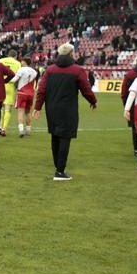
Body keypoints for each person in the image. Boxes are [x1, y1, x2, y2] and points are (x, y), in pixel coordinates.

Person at [34, 43, 97, 181]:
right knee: (65, 137)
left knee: (55, 136)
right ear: (71, 54)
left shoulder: (49, 70)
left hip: (51, 108)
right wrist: (93, 101)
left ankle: (58, 166)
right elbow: (86, 89)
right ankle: (60, 171)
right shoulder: (77, 70)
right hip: (68, 109)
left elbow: (42, 90)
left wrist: (38, 107)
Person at [120, 57, 137, 156]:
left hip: (132, 104)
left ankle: (136, 149)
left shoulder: (129, 75)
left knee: (134, 127)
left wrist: (126, 105)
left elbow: (124, 91)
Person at [10, 57, 39, 137]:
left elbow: (14, 80)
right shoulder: (34, 71)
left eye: (21, 61)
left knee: (20, 111)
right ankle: (28, 130)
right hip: (31, 94)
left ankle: (21, 130)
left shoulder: (21, 69)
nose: (20, 62)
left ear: (24, 62)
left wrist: (5, 80)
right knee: (28, 112)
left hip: (22, 93)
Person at [0, 50, 21, 136]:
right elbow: (18, 76)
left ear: (8, 55)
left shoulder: (1, 60)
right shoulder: (18, 63)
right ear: (15, 56)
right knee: (8, 109)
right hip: (10, 87)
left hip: (0, 85)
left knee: (0, 108)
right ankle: (4, 129)